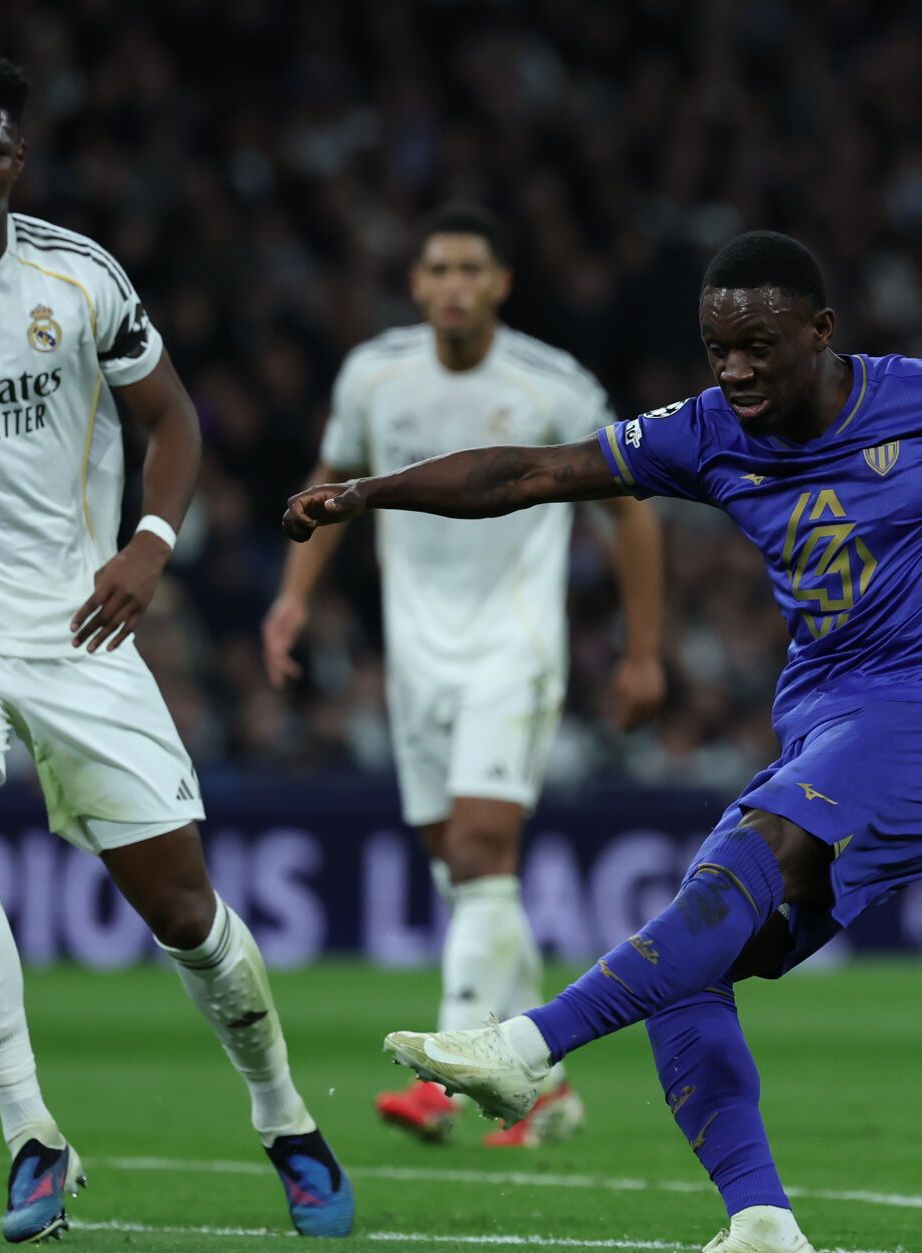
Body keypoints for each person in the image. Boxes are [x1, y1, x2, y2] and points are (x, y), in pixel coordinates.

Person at [283, 231, 922, 1253]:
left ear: (821, 332)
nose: (733, 369)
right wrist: (369, 492)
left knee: (736, 869)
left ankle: (527, 1047)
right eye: (716, 348)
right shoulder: (707, 432)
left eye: (757, 346)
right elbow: (530, 470)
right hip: (827, 728)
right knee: (693, 956)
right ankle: (763, 1226)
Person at [0, 49, 353, 1242]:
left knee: (184, 913)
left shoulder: (79, 275)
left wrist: (150, 543)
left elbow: (174, 419)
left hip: (77, 626)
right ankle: (31, 1138)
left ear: (18, 158)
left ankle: (283, 1115)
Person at [263, 205, 665, 1149]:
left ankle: (445, 1073)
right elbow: (331, 479)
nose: (454, 285)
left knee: (483, 849)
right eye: (438, 268)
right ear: (416, 283)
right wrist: (291, 599)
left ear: (500, 284)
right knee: (468, 874)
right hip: (416, 657)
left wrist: (643, 650)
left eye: (471, 269)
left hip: (514, 647)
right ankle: (548, 1085)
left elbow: (631, 509)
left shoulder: (551, 385)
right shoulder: (374, 376)